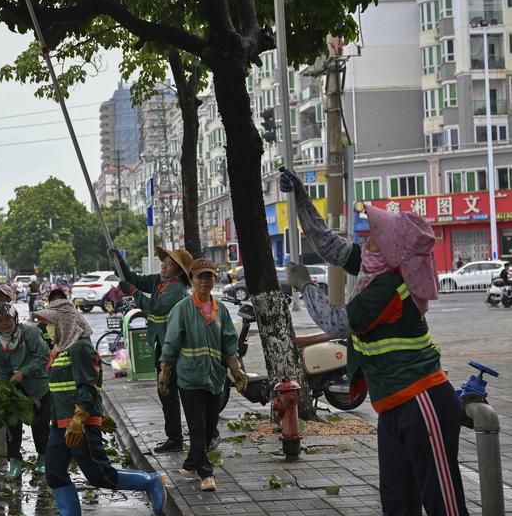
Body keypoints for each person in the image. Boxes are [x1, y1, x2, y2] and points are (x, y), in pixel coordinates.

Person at [279, 167, 468, 516]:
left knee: (444, 505)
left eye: (376, 235)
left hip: (422, 400)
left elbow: (337, 322)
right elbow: (329, 245)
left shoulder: (387, 288)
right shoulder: (374, 268)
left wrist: (307, 286)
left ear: (393, 249)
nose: (368, 237)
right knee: (396, 503)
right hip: (392, 406)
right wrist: (301, 200)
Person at [33, 298, 167, 516]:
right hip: (60, 424)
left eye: (51, 322)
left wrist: (80, 418)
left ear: (64, 323)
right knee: (55, 473)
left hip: (79, 423)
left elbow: (88, 385)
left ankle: (151, 481)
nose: (47, 328)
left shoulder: (79, 348)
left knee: (99, 475)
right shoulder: (60, 349)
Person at [158, 258, 246, 492]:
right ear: (192, 280)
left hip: (214, 378)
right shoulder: (182, 309)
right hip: (189, 377)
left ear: (214, 280)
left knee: (209, 429)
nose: (205, 281)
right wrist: (165, 370)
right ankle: (206, 473)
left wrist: (235, 368)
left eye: (209, 277)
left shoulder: (221, 310)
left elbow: (229, 341)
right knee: (197, 427)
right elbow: (171, 341)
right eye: (200, 277)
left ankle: (190, 464)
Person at [111, 246, 192, 453]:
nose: (164, 266)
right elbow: (134, 279)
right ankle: (174, 436)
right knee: (165, 392)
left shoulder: (177, 289)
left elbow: (155, 307)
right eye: (164, 262)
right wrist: (120, 261)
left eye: (170, 264)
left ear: (180, 271)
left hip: (174, 347)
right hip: (161, 343)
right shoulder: (159, 281)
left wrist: (134, 293)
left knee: (171, 392)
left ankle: (177, 438)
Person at [0, 302, 51, 479]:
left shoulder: (30, 333)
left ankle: (43, 459)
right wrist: (1, 390)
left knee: (40, 427)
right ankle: (15, 462)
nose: (4, 324)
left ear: (15, 318)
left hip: (38, 388)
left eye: (7, 319)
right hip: (15, 392)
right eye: (0, 320)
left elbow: (43, 356)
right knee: (12, 428)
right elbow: (3, 369)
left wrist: (23, 373)